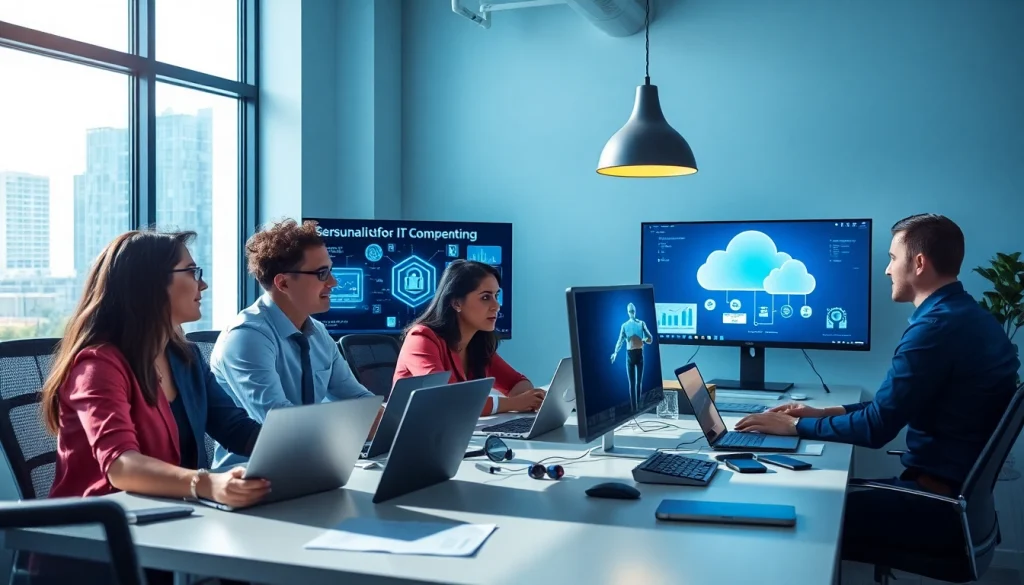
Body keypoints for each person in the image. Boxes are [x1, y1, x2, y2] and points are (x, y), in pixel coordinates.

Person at [734, 213, 1020, 561]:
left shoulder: (935, 329)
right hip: (954, 502)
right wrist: (823, 412)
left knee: (790, 506)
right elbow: (890, 407)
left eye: (892, 258)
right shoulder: (967, 316)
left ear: (918, 263)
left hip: (932, 508)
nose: (887, 269)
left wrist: (795, 426)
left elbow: (876, 427)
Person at [38, 230, 267, 585]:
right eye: (192, 272)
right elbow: (121, 466)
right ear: (149, 285)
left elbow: (237, 429)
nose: (202, 286)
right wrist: (207, 484)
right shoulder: (98, 365)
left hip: (166, 534)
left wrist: (306, 448)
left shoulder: (185, 357)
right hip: (97, 550)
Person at [211, 219, 378, 469]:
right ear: (283, 283)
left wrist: (398, 419)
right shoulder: (246, 337)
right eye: (322, 273)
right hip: (249, 478)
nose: (333, 282)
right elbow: (280, 423)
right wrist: (355, 425)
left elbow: (357, 399)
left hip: (312, 465)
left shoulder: (317, 332)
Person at [394, 259, 545, 415]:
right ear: (456, 303)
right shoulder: (420, 338)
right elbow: (446, 398)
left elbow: (516, 382)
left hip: (456, 433)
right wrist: (515, 403)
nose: (497, 306)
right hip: (413, 437)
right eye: (485, 297)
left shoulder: (478, 343)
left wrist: (530, 399)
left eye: (496, 296)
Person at [610, 302, 653, 411]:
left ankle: (638, 406)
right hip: (630, 355)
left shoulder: (641, 323)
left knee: (639, 382)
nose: (632, 313)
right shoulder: (624, 326)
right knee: (632, 383)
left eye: (633, 311)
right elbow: (620, 341)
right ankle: (634, 408)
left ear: (635, 311)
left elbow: (650, 338)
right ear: (628, 312)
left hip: (639, 354)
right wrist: (615, 353)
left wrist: (643, 339)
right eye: (630, 311)